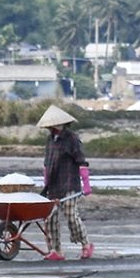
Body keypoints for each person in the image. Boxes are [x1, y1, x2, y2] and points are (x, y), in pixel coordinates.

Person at [35, 104, 92, 260]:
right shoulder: (50, 140)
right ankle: (56, 250)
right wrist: (46, 181)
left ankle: (86, 244)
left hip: (69, 184)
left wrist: (86, 184)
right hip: (53, 186)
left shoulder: (72, 139)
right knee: (51, 217)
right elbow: (47, 163)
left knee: (71, 216)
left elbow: (81, 161)